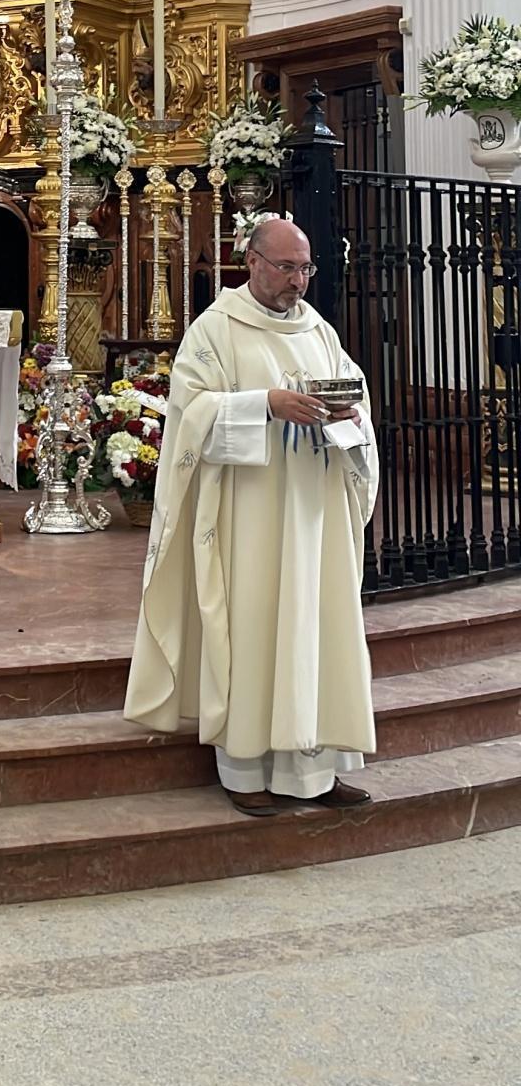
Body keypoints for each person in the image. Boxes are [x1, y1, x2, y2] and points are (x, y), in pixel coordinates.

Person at [124, 216, 379, 816]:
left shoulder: (319, 330)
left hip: (313, 511)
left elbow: (353, 393)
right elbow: (190, 413)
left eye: (306, 268)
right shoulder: (215, 330)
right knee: (257, 631)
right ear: (254, 262)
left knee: (318, 630)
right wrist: (266, 403)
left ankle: (316, 771)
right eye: (287, 267)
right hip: (250, 516)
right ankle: (244, 770)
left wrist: (349, 415)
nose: (299, 281)